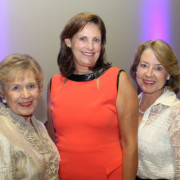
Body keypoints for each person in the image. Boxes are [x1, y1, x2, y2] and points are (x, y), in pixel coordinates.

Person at [47, 12, 138, 180]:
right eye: (83, 39)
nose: (90, 47)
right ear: (68, 42)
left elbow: (130, 144)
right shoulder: (54, 83)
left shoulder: (118, 80)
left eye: (96, 40)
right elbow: (52, 140)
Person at [0, 54, 60, 180]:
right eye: (16, 88)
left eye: (31, 86)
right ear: (3, 94)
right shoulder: (2, 131)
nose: (26, 95)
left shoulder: (39, 126)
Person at [130, 40, 180, 179]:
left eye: (158, 68)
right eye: (144, 65)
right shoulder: (129, 107)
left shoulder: (175, 112)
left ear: (169, 74)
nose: (149, 74)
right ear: (136, 69)